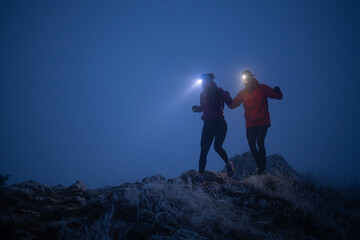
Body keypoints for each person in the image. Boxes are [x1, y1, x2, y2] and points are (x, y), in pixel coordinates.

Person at [228, 70, 283, 175]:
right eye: (244, 78)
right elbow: (232, 105)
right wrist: (227, 98)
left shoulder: (262, 88)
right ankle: (260, 169)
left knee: (260, 141)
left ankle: (262, 169)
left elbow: (278, 96)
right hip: (250, 123)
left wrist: (278, 91)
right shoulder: (243, 93)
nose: (246, 80)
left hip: (263, 121)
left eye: (248, 77)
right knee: (251, 144)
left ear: (252, 77)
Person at [192, 73, 236, 183]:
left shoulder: (218, 91)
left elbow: (230, 102)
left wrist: (227, 94)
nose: (203, 82)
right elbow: (204, 107)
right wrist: (197, 108)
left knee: (217, 147)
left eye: (206, 80)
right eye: (202, 80)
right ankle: (201, 177)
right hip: (208, 124)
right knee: (204, 150)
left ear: (211, 81)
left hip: (220, 123)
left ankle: (229, 165)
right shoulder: (202, 94)